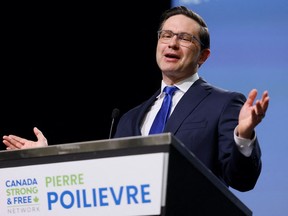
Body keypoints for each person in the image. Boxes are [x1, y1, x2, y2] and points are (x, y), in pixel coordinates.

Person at [3, 6, 269, 192]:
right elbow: (103, 182)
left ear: (203, 56)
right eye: (166, 35)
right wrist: (48, 159)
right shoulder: (130, 118)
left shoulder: (223, 103)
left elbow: (241, 180)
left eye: (185, 38)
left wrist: (243, 137)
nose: (172, 44)